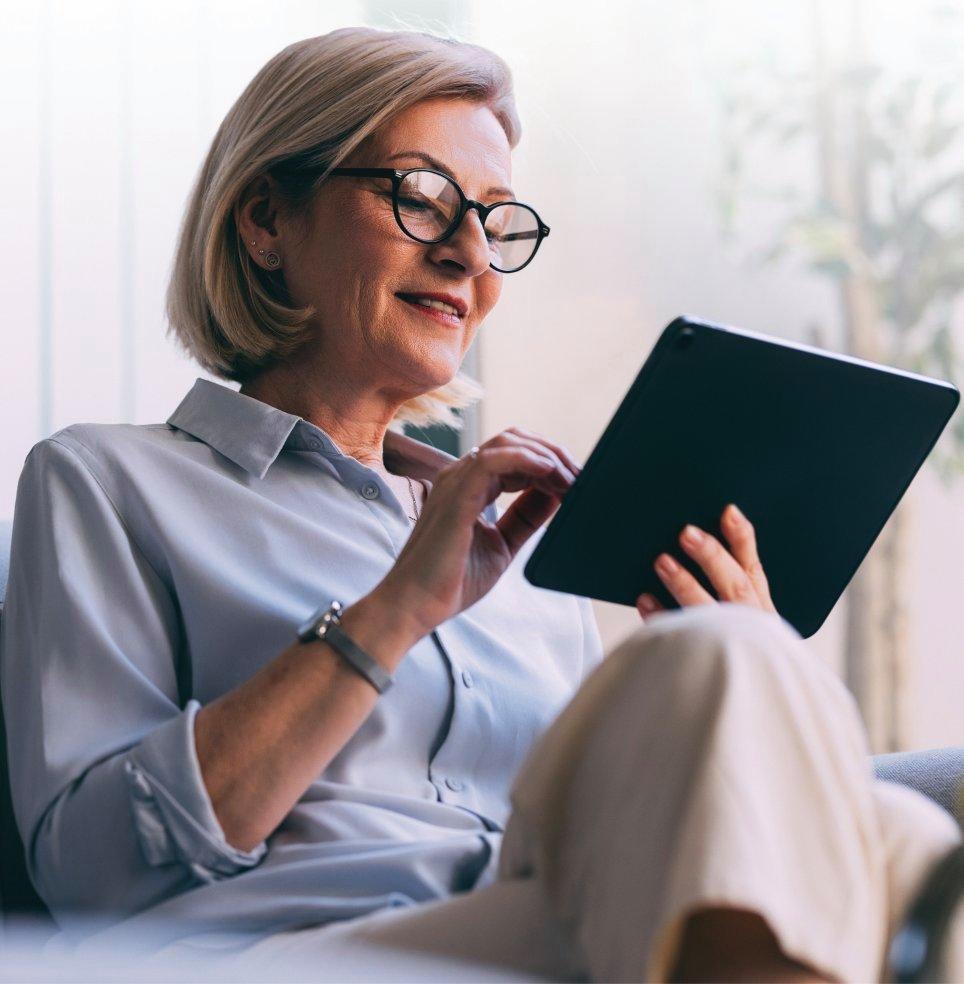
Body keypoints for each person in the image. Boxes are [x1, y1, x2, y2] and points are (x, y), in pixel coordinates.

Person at [0, 26, 958, 982]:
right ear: (265, 220)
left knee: (901, 836)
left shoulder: (527, 546)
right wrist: (393, 612)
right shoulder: (106, 484)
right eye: (421, 197)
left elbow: (593, 825)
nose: (471, 256)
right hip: (291, 951)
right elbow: (92, 875)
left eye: (498, 221)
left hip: (552, 921)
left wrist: (753, 675)